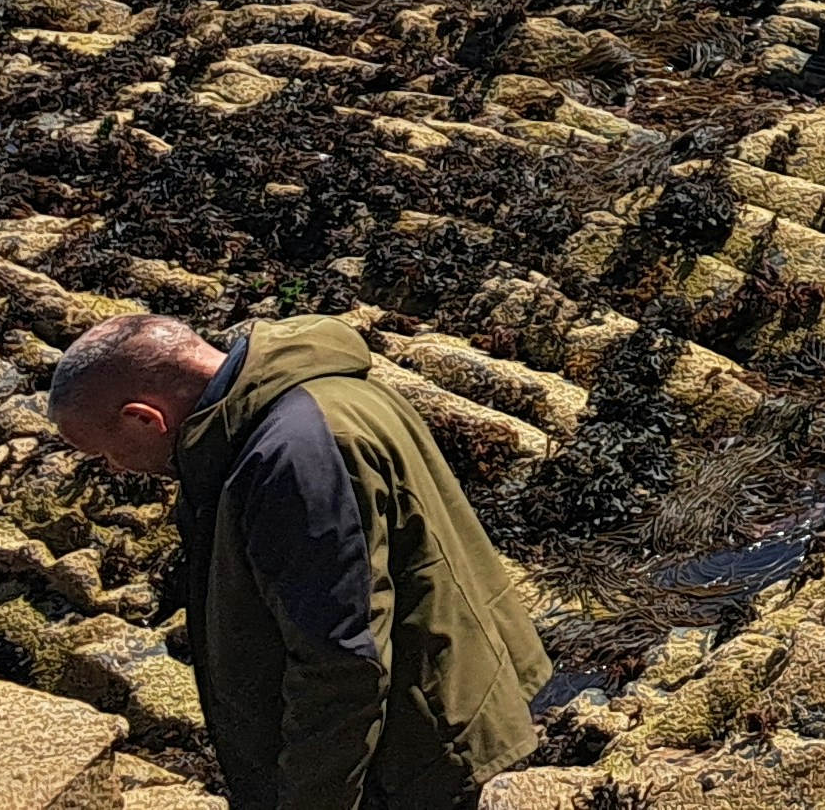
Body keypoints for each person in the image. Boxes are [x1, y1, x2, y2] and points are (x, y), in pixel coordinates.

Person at [45, 311, 550, 810]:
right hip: (446, 698)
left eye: (106, 453)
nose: (116, 468)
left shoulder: (291, 456)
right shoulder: (316, 391)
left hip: (409, 754)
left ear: (142, 418)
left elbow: (342, 661)